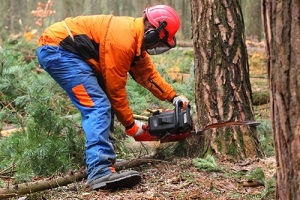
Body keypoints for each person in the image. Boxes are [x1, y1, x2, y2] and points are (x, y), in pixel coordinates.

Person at [36, 4, 189, 190]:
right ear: (152, 32)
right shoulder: (123, 41)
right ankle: (99, 170)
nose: (157, 46)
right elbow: (115, 89)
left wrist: (173, 97)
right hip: (59, 50)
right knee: (98, 106)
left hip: (70, 52)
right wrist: (132, 127)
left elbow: (148, 75)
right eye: (159, 42)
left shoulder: (135, 41)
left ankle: (105, 160)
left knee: (101, 103)